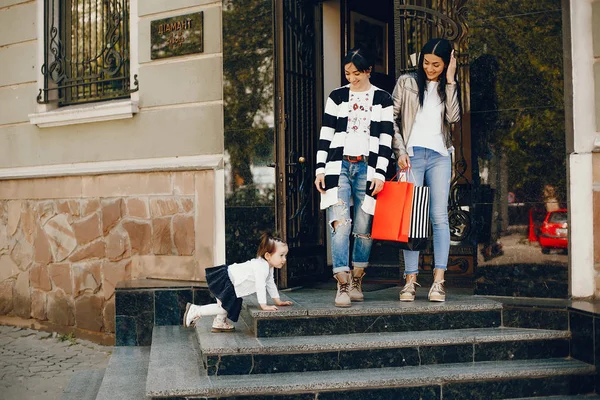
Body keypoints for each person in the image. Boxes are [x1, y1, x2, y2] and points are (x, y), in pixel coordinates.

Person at [314, 48, 394, 307]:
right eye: (347, 73)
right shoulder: (337, 96)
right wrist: (320, 169)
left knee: (363, 227)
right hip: (339, 167)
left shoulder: (382, 98)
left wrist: (380, 172)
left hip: (367, 168)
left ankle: (358, 279)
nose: (351, 78)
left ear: (369, 70)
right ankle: (342, 284)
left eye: (356, 73)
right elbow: (326, 133)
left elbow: (386, 138)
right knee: (340, 224)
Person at [391, 38, 460, 302]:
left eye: (437, 65)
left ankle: (439, 282)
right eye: (426, 62)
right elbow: (392, 119)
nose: (430, 68)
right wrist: (400, 151)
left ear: (445, 65)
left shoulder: (447, 87)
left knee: (439, 217)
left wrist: (451, 80)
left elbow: (453, 118)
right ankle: (410, 281)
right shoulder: (407, 82)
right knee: (412, 218)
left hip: (440, 156)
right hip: (412, 156)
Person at [183, 233, 293, 331]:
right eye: (281, 255)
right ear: (268, 256)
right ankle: (196, 310)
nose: (284, 259)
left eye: (285, 255)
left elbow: (270, 283)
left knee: (227, 305)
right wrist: (263, 305)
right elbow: (260, 285)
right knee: (224, 307)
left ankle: (219, 322)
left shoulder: (268, 267)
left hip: (231, 283)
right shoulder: (261, 267)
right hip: (227, 281)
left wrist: (278, 301)